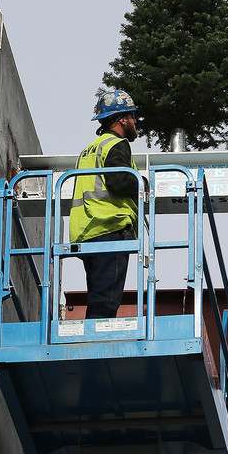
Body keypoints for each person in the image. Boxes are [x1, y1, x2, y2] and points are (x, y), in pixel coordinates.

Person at [70, 88, 145, 320]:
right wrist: (141, 184)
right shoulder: (116, 144)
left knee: (98, 293)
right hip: (109, 227)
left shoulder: (89, 149)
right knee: (106, 299)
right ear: (122, 119)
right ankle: (96, 340)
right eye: (132, 116)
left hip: (87, 230)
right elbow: (117, 181)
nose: (135, 121)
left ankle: (93, 332)